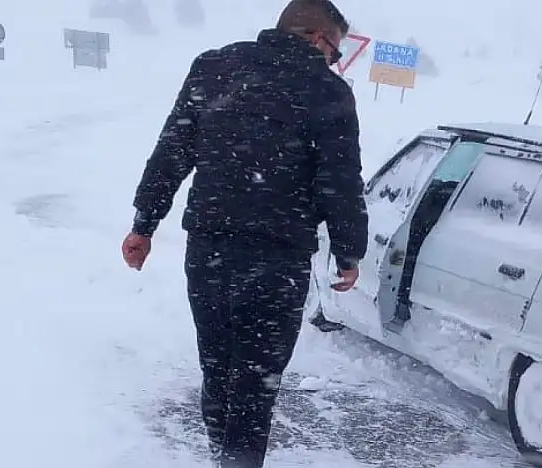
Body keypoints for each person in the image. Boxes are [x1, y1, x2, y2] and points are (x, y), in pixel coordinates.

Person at [119, 0, 368, 466]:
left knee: (217, 370)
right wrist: (349, 252)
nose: (335, 63)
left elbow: (172, 150)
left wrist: (144, 224)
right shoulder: (328, 93)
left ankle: (221, 455)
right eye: (335, 54)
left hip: (208, 253)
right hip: (278, 261)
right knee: (255, 385)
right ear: (318, 39)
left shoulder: (214, 67)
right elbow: (340, 181)